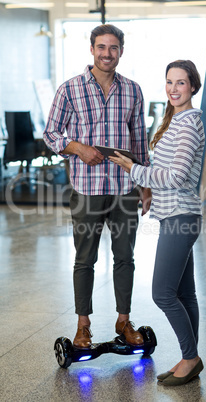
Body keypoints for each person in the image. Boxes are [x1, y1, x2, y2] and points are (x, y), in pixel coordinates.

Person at [43, 24, 151, 349]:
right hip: (87, 189)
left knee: (125, 258)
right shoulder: (69, 89)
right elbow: (51, 134)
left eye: (113, 47)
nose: (107, 53)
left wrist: (146, 186)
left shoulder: (133, 90)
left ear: (121, 51)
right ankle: (83, 326)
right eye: (101, 47)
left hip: (124, 188)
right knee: (84, 259)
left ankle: (123, 320)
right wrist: (77, 147)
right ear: (91, 49)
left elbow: (140, 141)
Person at [109, 60, 205, 386]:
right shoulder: (175, 119)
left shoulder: (189, 123)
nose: (174, 89)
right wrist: (148, 190)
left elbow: (177, 175)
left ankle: (190, 358)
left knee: (163, 294)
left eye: (181, 83)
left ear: (193, 86)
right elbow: (166, 169)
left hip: (181, 215)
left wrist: (133, 171)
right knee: (184, 293)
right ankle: (188, 358)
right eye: (169, 82)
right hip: (174, 213)